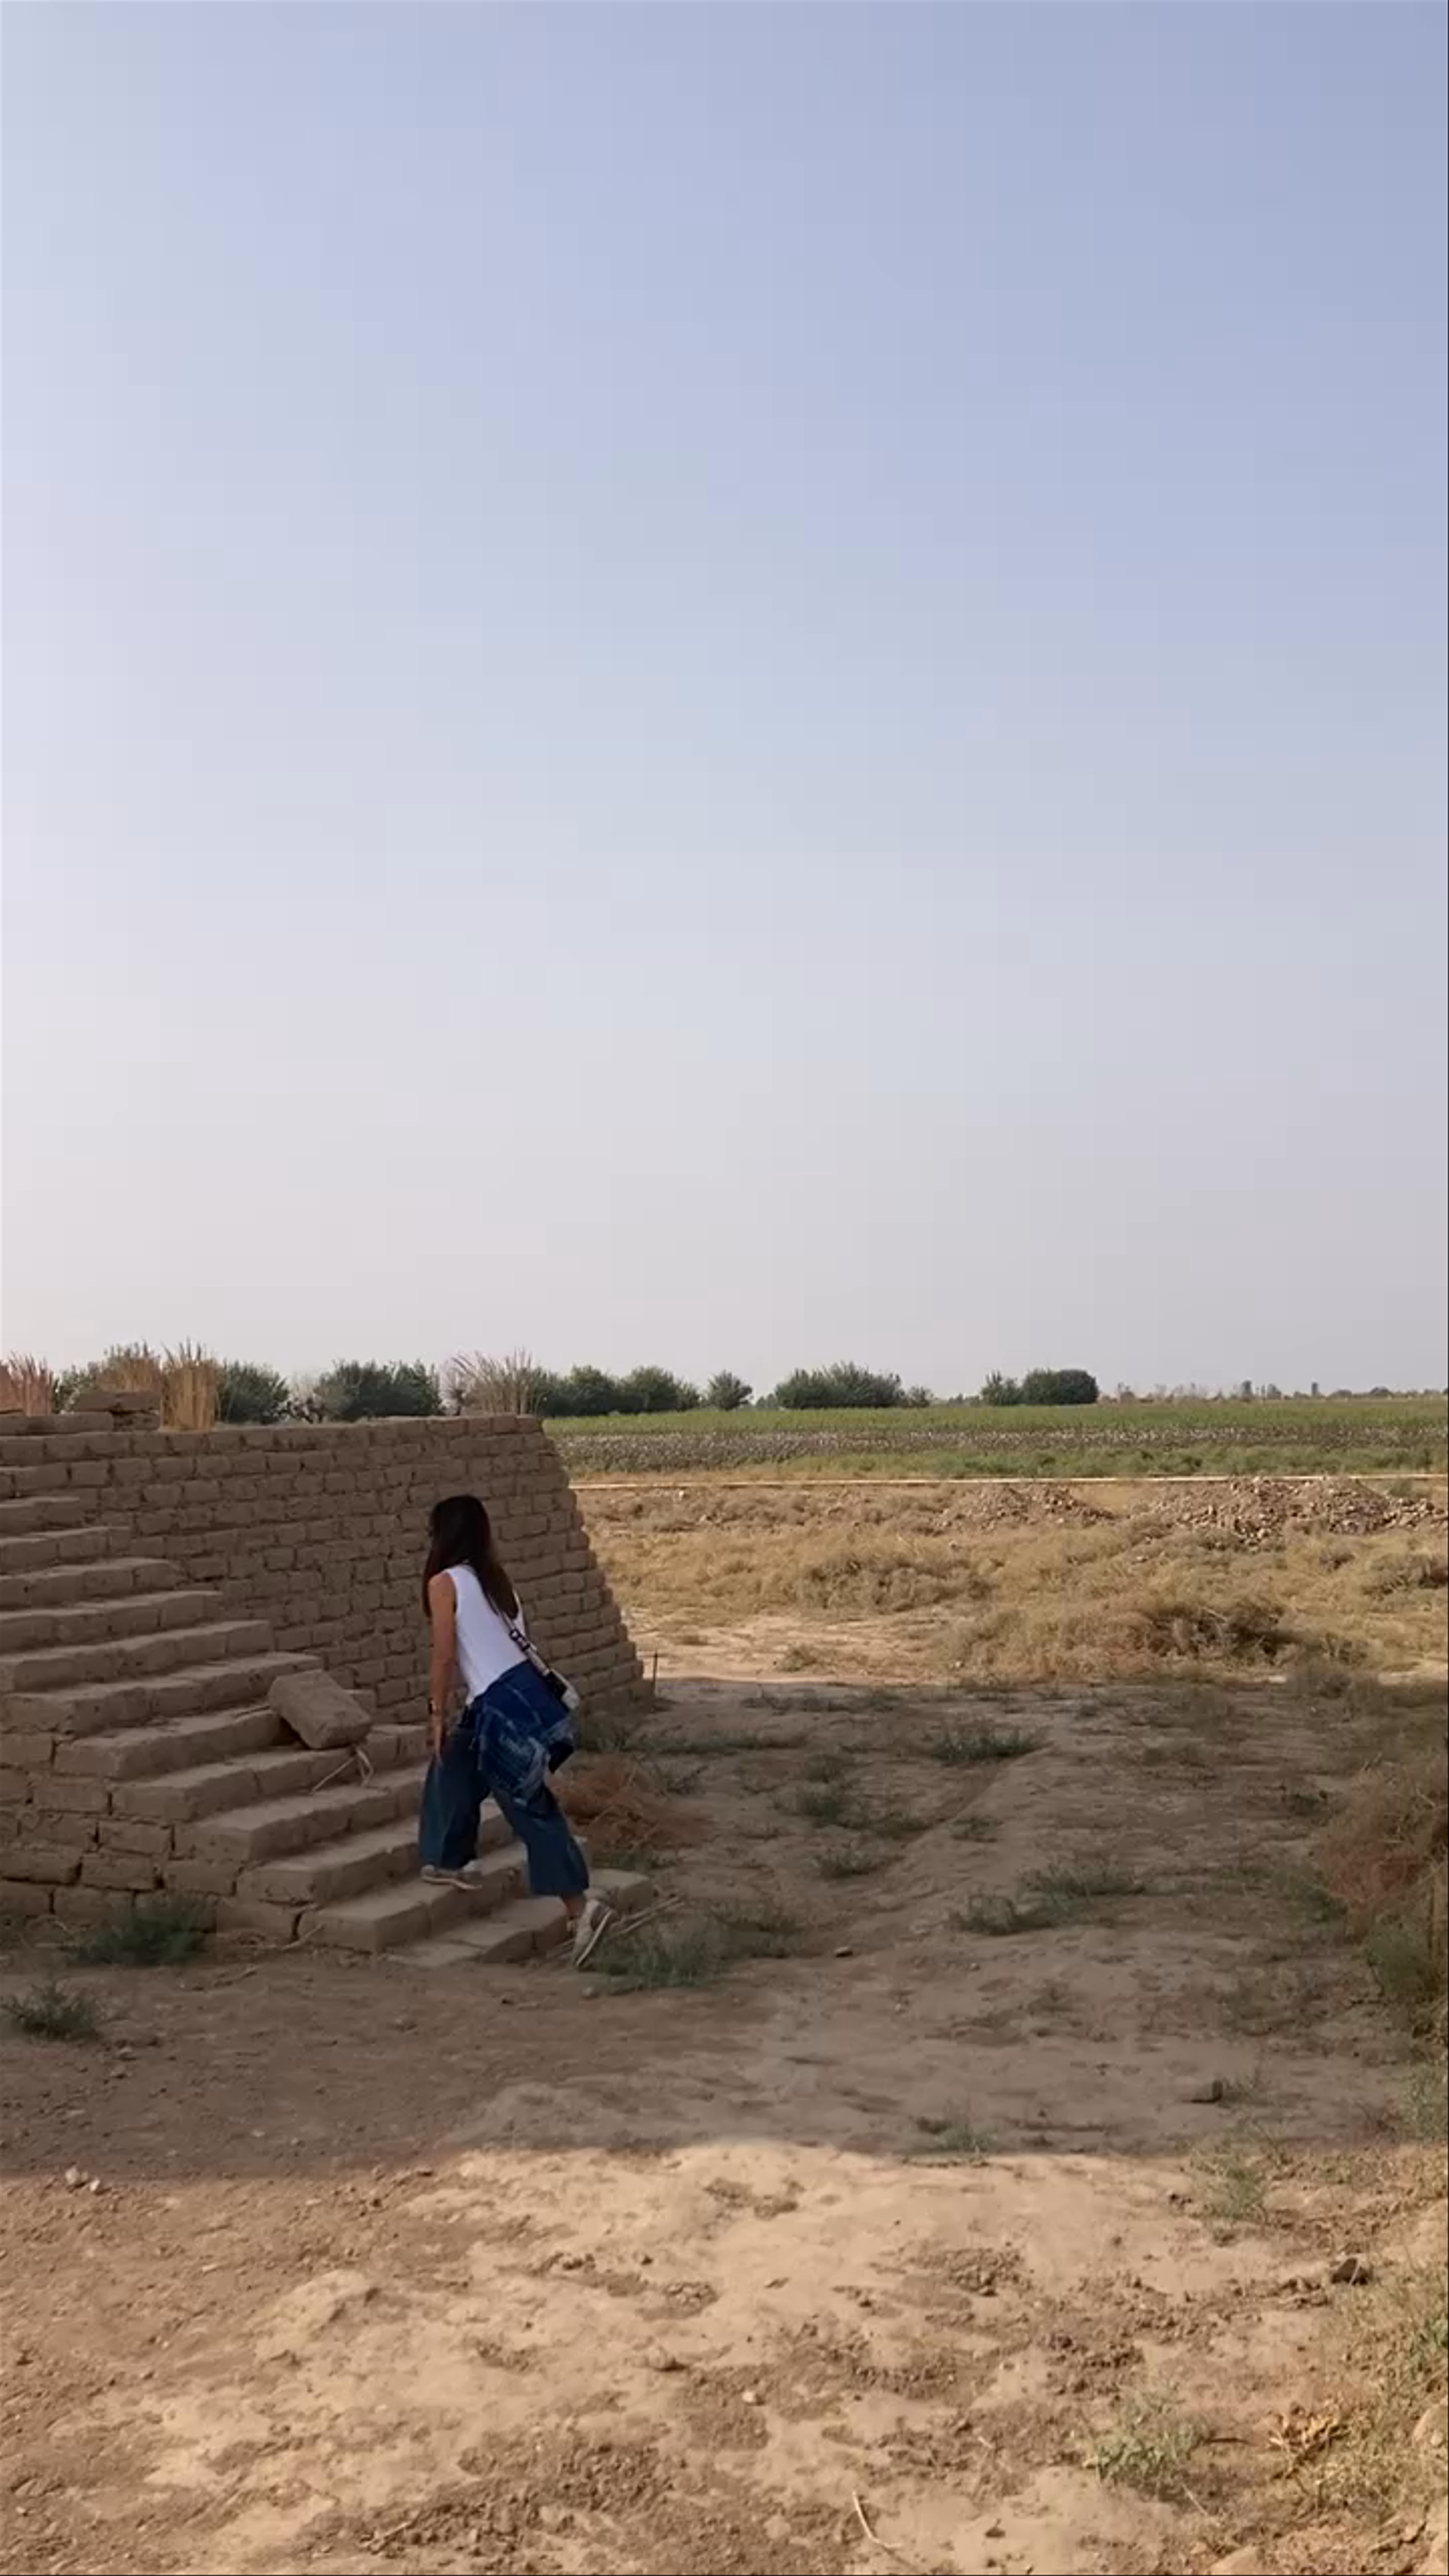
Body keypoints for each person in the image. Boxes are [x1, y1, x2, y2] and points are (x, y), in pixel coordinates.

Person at [418, 1492, 613, 1967]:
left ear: (442, 1535)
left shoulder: (445, 1582)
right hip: (519, 1698)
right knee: (453, 1763)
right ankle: (452, 1858)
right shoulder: (499, 1585)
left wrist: (436, 1711)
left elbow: (444, 1654)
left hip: (499, 1705)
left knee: (527, 1806)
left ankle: (580, 1906)